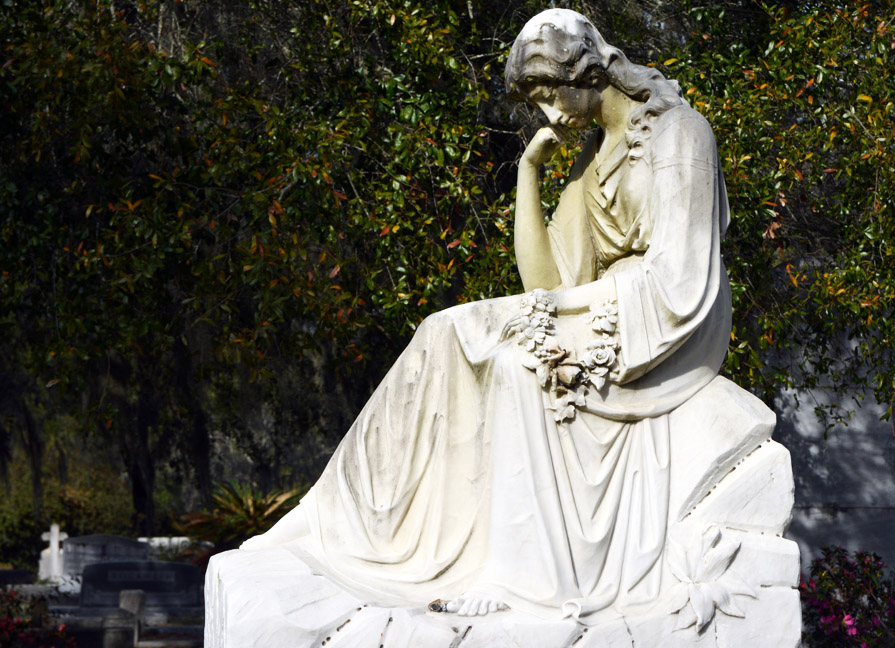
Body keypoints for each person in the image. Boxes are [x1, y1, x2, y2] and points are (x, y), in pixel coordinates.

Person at [239, 8, 733, 623]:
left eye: (553, 95)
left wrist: (556, 310)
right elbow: (546, 282)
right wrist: (529, 172)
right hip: (604, 312)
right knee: (444, 334)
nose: (551, 115)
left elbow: (682, 283)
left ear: (590, 72)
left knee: (501, 363)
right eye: (537, 103)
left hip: (661, 331)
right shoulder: (592, 162)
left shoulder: (680, 134)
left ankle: (522, 577)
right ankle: (338, 524)